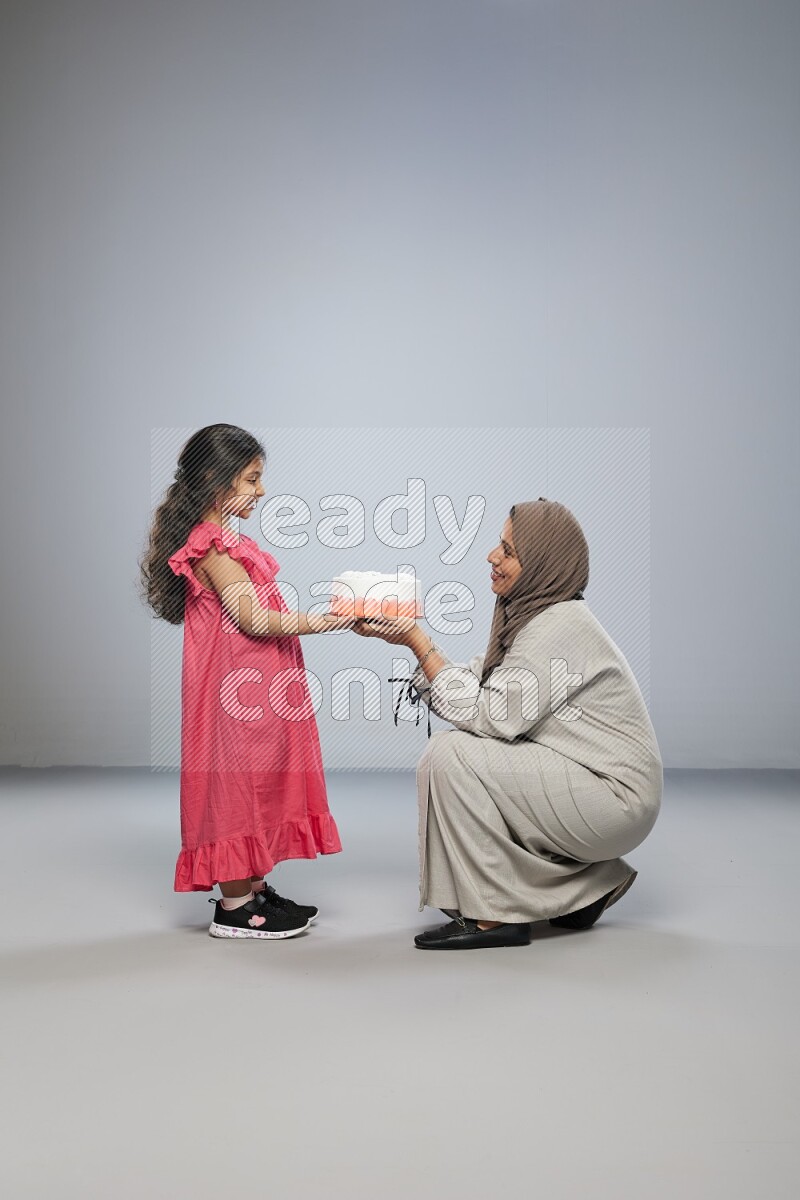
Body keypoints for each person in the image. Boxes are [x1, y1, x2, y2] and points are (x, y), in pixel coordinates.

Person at [354, 498, 663, 950]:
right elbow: (476, 683)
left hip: (614, 799)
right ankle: (580, 894)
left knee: (451, 754)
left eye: (508, 550)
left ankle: (495, 917)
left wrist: (419, 643)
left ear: (542, 563)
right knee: (466, 753)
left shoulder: (557, 625)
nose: (492, 556)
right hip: (596, 786)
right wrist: (412, 640)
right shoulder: (534, 616)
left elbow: (492, 717)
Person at [139, 424, 354, 940]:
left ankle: (253, 888)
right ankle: (234, 907)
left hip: (256, 689)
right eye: (253, 479)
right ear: (217, 480)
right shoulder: (212, 547)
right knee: (237, 786)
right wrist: (328, 619)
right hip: (236, 696)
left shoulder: (230, 542)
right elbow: (252, 619)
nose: (261, 491)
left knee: (261, 779)